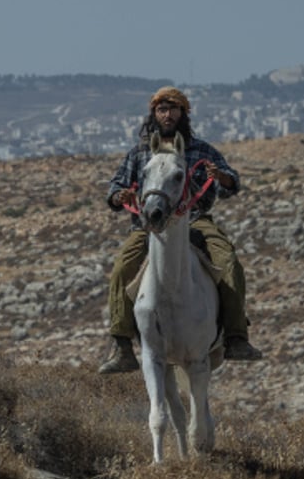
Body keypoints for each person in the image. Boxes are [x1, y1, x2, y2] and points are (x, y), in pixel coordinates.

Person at [97, 86, 263, 374]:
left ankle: (236, 336)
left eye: (173, 109)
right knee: (123, 266)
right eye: (162, 109)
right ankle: (122, 344)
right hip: (150, 224)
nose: (167, 114)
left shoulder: (202, 151)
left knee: (228, 261)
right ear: (154, 114)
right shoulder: (139, 153)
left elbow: (232, 183)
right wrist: (119, 197)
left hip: (195, 220)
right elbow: (116, 187)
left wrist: (221, 177)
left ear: (183, 113)